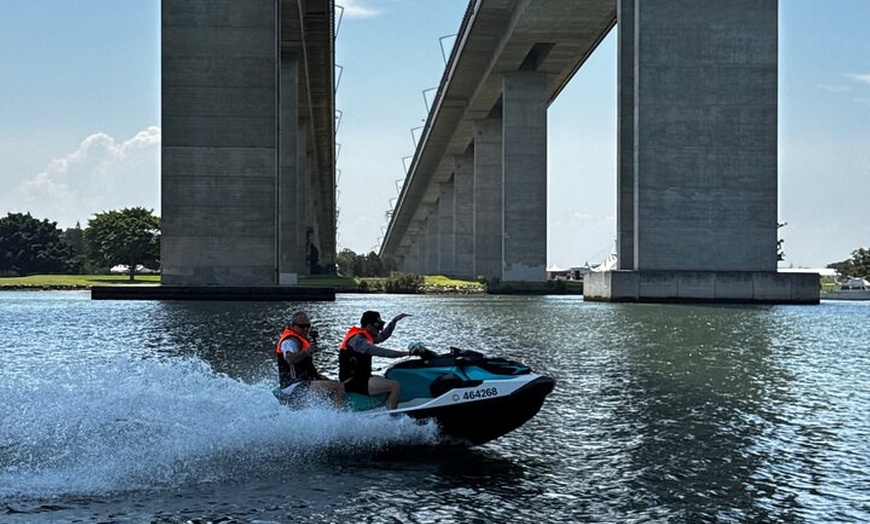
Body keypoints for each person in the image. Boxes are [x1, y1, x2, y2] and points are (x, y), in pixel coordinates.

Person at [338, 310, 420, 409]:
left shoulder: (366, 335)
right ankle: (392, 416)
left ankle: (387, 405)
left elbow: (382, 336)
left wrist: (394, 321)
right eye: (378, 327)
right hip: (352, 381)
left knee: (388, 378)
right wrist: (407, 353)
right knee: (395, 386)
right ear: (369, 326)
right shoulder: (358, 341)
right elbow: (382, 352)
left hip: (361, 377)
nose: (380, 330)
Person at [276, 311, 345, 407]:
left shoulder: (301, 339)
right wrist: (307, 351)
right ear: (292, 326)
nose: (306, 329)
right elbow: (290, 359)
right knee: (338, 387)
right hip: (293, 386)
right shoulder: (289, 341)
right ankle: (340, 413)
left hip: (303, 382)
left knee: (333, 382)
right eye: (302, 326)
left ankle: (328, 408)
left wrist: (320, 377)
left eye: (308, 326)